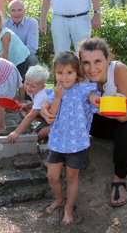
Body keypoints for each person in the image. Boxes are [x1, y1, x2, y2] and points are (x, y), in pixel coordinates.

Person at [41, 37, 127, 207]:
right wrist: (43, 108)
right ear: (80, 64)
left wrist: (110, 104)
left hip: (126, 121)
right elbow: (58, 91)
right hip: (99, 122)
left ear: (108, 59)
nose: (92, 68)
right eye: (86, 63)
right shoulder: (80, 73)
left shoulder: (119, 70)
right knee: (68, 116)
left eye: (98, 61)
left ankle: (118, 181)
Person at [45, 51, 99, 225]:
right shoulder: (53, 93)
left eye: (70, 72)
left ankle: (69, 207)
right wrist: (58, 97)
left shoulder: (85, 90)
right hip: (57, 142)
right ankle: (59, 199)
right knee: (52, 176)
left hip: (77, 144)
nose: (65, 77)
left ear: (77, 73)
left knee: (71, 177)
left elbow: (95, 101)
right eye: (60, 73)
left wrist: (100, 100)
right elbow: (51, 115)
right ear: (55, 74)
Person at [0, 6, 30, 101]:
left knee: (20, 80)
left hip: (20, 57)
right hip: (11, 59)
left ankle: (21, 102)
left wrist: (3, 67)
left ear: (0, 22)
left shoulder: (5, 34)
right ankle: (11, 102)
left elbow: (5, 52)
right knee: (10, 80)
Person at [7, 65, 52, 143]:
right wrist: (28, 104)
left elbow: (31, 116)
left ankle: (51, 132)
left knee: (35, 137)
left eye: (33, 86)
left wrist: (16, 132)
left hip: (56, 120)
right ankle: (46, 130)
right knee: (28, 111)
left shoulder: (41, 95)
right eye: (26, 84)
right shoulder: (35, 91)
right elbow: (37, 102)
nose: (28, 88)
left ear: (42, 87)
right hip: (47, 116)